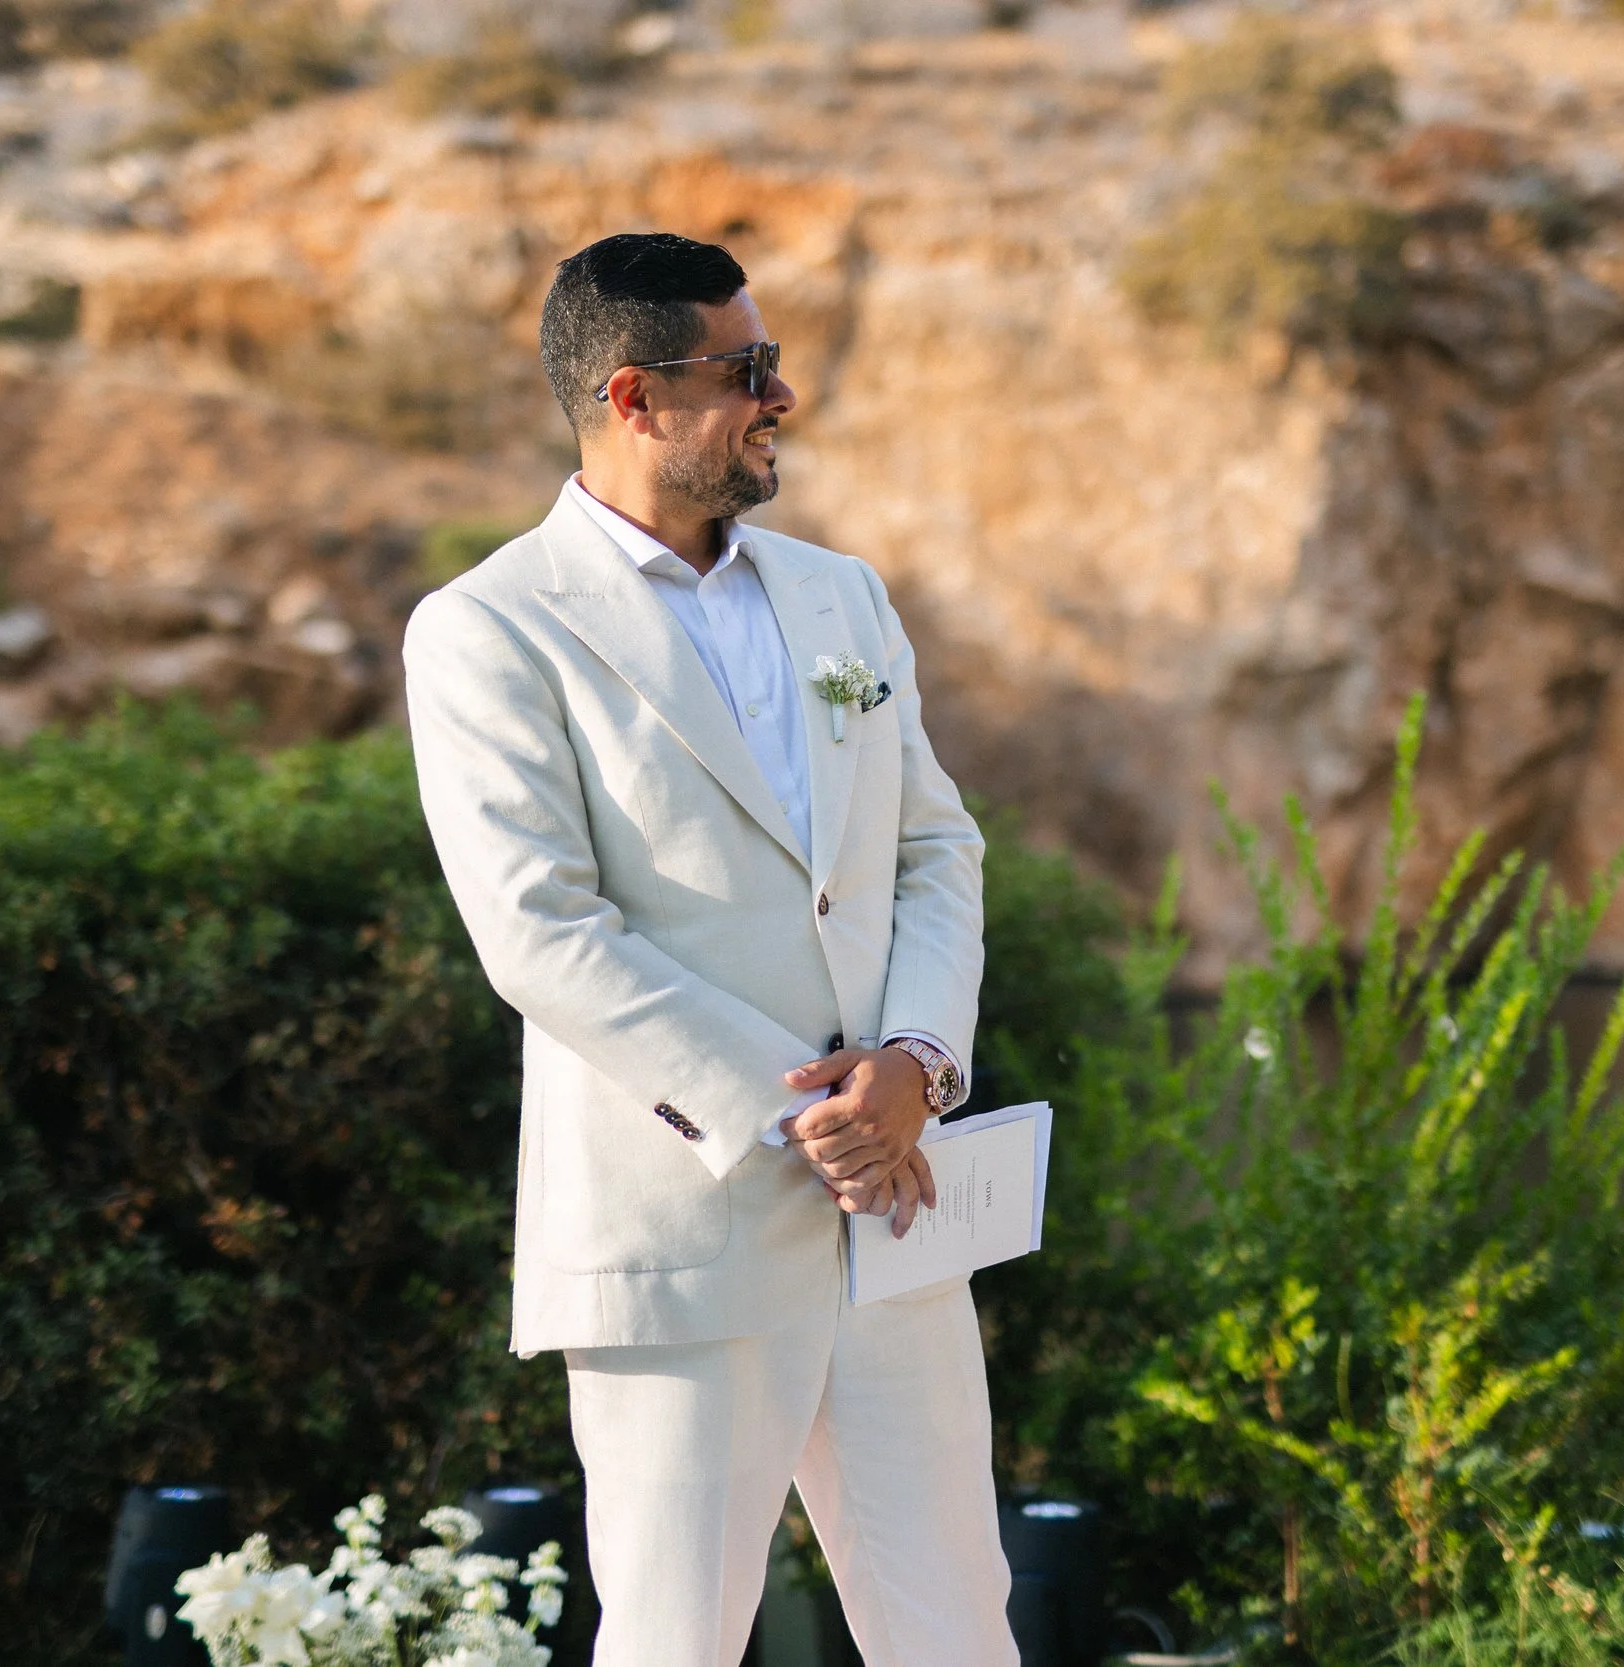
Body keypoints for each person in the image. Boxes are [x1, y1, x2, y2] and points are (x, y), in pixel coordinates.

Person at [403, 231, 1014, 1667]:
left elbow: (935, 849)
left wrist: (918, 1065)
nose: (779, 396)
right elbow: (540, 931)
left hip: (898, 1216)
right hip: (679, 1225)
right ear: (633, 397)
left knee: (960, 1632)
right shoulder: (488, 631)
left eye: (773, 363)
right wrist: (809, 1112)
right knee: (677, 1641)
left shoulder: (841, 597)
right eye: (745, 371)